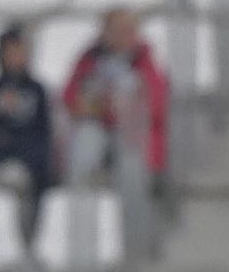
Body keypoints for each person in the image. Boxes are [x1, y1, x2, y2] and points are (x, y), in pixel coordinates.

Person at [61, 9, 169, 186]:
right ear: (105, 32)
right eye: (117, 31)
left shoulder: (145, 62)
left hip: (132, 132)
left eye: (128, 30)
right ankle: (81, 204)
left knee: (131, 155)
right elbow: (70, 98)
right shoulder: (89, 59)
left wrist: (117, 108)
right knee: (85, 143)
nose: (122, 36)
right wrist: (96, 107)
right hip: (97, 126)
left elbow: (156, 105)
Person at [0, 26, 55, 196]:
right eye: (10, 52)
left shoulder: (37, 90)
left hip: (29, 154)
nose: (15, 57)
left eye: (19, 51)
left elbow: (43, 130)